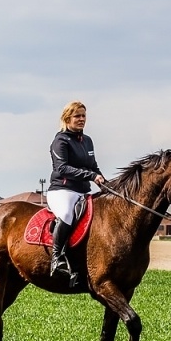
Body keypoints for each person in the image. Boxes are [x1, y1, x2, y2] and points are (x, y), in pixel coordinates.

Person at [46, 100, 105, 290]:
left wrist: (104, 182)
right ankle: (56, 258)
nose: (81, 119)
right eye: (77, 116)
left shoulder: (87, 141)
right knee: (66, 214)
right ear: (67, 118)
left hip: (82, 191)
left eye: (83, 116)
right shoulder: (60, 141)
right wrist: (91, 176)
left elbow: (93, 166)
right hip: (62, 191)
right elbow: (62, 168)